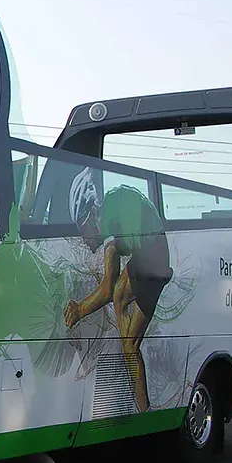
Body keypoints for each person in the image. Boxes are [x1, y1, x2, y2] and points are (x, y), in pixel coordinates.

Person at [63, 166, 173, 413]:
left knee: (130, 345)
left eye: (83, 230)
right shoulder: (113, 212)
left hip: (152, 267)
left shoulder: (110, 238)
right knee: (120, 295)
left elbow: (105, 289)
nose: (84, 239)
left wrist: (79, 310)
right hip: (147, 257)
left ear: (92, 214)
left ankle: (144, 411)